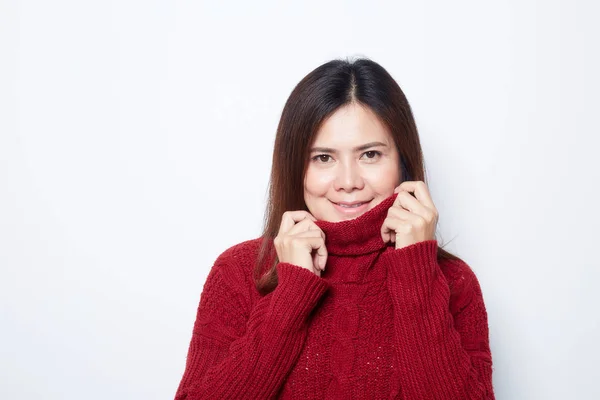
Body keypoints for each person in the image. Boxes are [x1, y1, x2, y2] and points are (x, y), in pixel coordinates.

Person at [174, 58, 495, 399]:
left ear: (402, 161)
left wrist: (416, 275)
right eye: (323, 158)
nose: (348, 182)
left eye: (369, 154)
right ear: (296, 166)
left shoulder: (453, 280)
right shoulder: (240, 271)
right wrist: (291, 296)